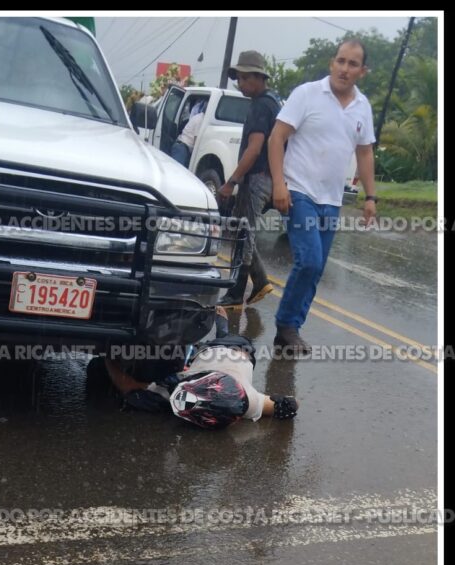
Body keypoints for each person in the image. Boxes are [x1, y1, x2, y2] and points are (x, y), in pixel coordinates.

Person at [268, 39, 377, 355]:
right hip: (299, 191)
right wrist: (279, 184)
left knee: (316, 268)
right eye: (340, 61)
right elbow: (277, 138)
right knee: (309, 260)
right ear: (332, 63)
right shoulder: (307, 94)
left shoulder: (362, 106)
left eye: (352, 64)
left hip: (331, 200)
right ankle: (287, 326)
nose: (345, 69)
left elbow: (365, 152)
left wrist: (371, 197)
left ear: (362, 71)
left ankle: (290, 330)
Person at [101, 309, 299, 429]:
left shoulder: (245, 403)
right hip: (234, 350)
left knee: (141, 397)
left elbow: (130, 388)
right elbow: (290, 405)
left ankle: (217, 324)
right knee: (222, 336)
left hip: (214, 355)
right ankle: (220, 322)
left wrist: (107, 355)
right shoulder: (250, 401)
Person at [217, 51, 280, 308]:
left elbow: (254, 149)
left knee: (244, 234)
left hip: (256, 177)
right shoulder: (273, 102)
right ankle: (261, 281)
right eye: (238, 79)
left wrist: (232, 181)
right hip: (265, 177)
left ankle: (236, 293)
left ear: (258, 77)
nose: (240, 84)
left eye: (244, 78)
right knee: (242, 230)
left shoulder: (260, 106)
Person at [170, 101, 207, 167]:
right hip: (181, 148)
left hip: (183, 148)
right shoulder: (200, 120)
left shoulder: (199, 117)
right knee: (176, 170)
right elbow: (196, 141)